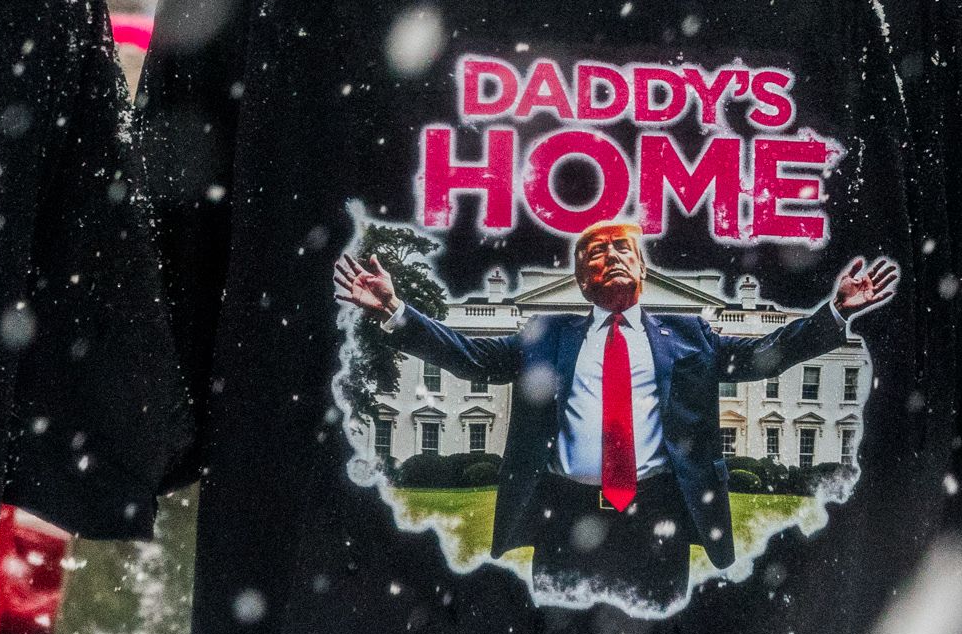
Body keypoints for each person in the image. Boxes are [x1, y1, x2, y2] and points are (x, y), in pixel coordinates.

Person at [334, 220, 899, 606]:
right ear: (582, 279)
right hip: (563, 513)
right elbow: (475, 357)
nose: (613, 258)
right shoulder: (546, 334)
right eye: (597, 253)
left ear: (644, 271)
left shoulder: (688, 334)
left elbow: (758, 359)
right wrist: (394, 309)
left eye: (624, 249)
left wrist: (834, 313)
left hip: (656, 514)